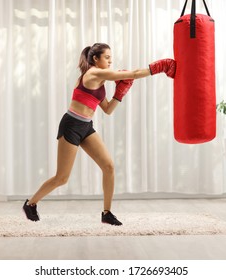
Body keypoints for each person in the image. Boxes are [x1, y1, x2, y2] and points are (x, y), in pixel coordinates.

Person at [23, 43, 176, 225]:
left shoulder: (100, 82)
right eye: (107, 57)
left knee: (109, 166)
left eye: (111, 57)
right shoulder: (94, 73)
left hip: (86, 126)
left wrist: (120, 92)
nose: (110, 61)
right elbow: (133, 73)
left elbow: (108, 109)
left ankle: (106, 213)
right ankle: (30, 204)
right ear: (96, 59)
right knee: (62, 178)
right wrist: (160, 67)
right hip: (71, 125)